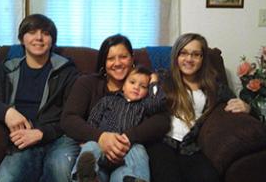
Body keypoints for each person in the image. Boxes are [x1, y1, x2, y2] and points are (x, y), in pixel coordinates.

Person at [0, 14, 80, 182]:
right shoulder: (6, 69)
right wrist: (6, 112)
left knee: (60, 169)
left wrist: (41, 133)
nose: (39, 38)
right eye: (32, 32)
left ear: (52, 40)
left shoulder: (67, 71)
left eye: (45, 33)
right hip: (22, 141)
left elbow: (74, 115)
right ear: (22, 39)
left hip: (59, 138)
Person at [61, 34, 169, 182]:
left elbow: (162, 120)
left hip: (128, 151)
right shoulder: (87, 83)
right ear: (103, 62)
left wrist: (127, 138)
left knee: (136, 156)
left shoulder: (142, 86)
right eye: (111, 58)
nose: (117, 63)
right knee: (90, 153)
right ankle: (86, 177)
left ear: (132, 58)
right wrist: (100, 137)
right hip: (98, 148)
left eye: (123, 57)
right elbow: (69, 119)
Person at [146, 33, 250, 182]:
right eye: (184, 53)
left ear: (202, 59)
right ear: (176, 56)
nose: (189, 59)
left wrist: (247, 107)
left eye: (196, 54)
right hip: (161, 143)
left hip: (191, 146)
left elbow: (234, 100)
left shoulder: (213, 86)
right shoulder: (163, 79)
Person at [72, 65, 165, 182]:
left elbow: (157, 104)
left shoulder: (144, 106)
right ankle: (85, 177)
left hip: (128, 151)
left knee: (139, 150)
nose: (136, 87)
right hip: (104, 147)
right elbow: (93, 120)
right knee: (90, 146)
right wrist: (86, 140)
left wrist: (154, 83)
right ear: (123, 86)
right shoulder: (108, 101)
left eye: (143, 86)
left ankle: (136, 178)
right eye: (132, 82)